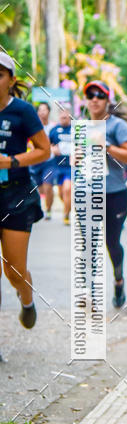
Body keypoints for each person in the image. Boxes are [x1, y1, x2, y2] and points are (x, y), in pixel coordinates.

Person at [0, 53, 51, 352]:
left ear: (11, 80)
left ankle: (27, 300)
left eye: (0, 74)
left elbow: (44, 150)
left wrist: (11, 161)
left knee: (14, 270)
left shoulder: (23, 111)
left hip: (16, 195)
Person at [82, 80, 127, 308]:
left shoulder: (117, 126)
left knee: (111, 243)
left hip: (115, 195)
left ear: (107, 100)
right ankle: (91, 292)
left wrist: (106, 146)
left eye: (100, 95)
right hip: (88, 194)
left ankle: (118, 281)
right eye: (90, 95)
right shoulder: (83, 127)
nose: (94, 99)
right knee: (88, 244)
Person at [29, 101, 55, 218]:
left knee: (48, 186)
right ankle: (41, 208)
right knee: (39, 189)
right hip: (35, 162)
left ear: (49, 111)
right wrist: (32, 147)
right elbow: (27, 140)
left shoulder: (53, 127)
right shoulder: (32, 126)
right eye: (40, 110)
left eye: (44, 109)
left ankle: (48, 210)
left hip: (49, 162)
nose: (42, 112)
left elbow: (56, 142)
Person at [48, 104, 73, 225]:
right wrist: (52, 149)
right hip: (57, 166)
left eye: (66, 115)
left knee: (68, 189)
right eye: (62, 115)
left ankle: (66, 215)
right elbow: (47, 146)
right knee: (62, 193)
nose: (64, 117)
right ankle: (68, 206)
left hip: (71, 166)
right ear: (59, 116)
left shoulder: (76, 129)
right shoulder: (54, 130)